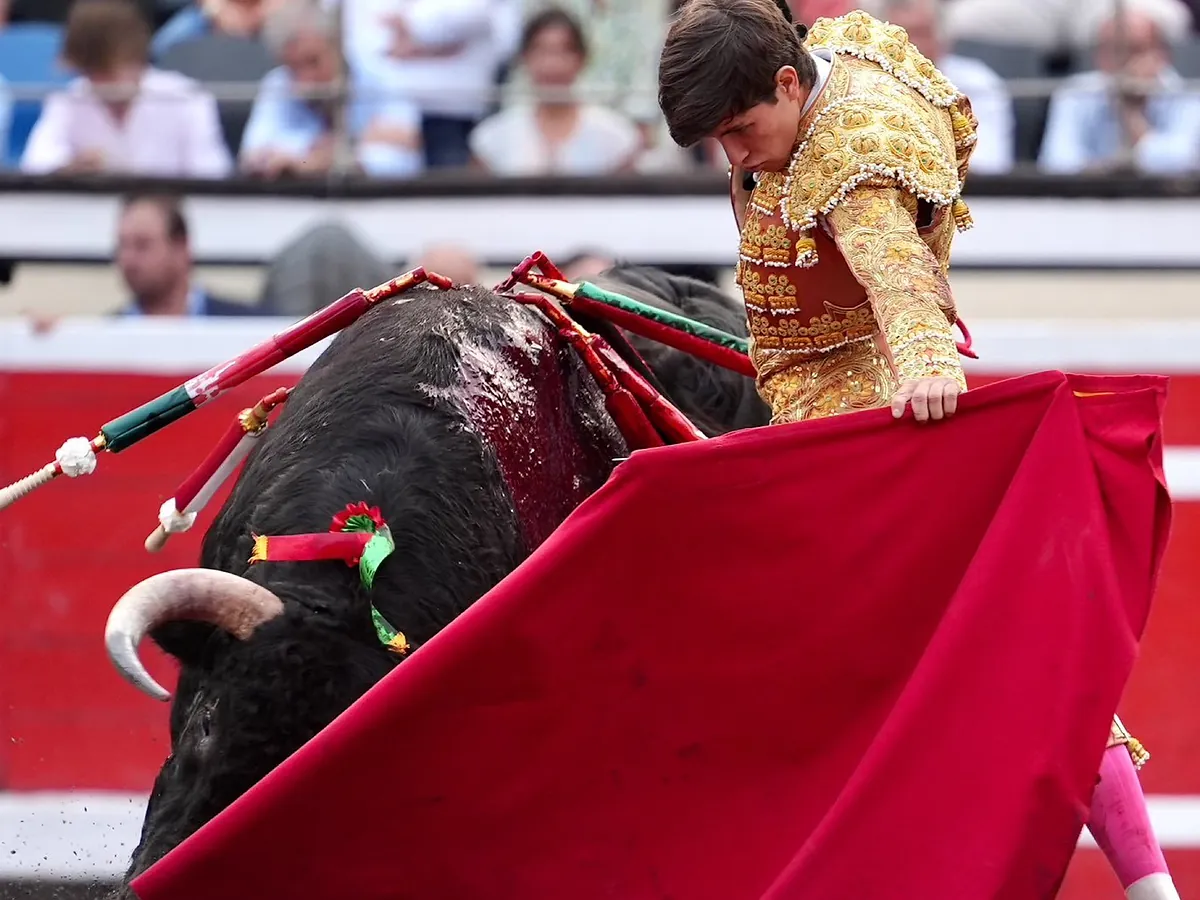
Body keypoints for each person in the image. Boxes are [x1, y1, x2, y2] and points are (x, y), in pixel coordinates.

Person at [656, 3, 1180, 899]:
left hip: (858, 431)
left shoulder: (850, 161)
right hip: (826, 404)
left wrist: (930, 363)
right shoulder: (821, 58)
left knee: (982, 666)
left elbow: (893, 266)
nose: (737, 158)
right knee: (1019, 654)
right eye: (719, 141)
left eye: (742, 131)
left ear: (788, 86)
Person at [18, 0, 232, 178]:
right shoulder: (69, 100)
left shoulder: (187, 99)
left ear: (135, 56)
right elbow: (35, 165)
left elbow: (212, 174)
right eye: (92, 72)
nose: (101, 83)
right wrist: (70, 167)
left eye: (108, 70)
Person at [240, 0, 424, 179]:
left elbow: (404, 160)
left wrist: (335, 156)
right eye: (294, 68)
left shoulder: (385, 77)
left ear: (337, 45)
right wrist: (311, 158)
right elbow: (254, 157)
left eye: (313, 61)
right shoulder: (277, 84)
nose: (305, 80)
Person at [469, 7, 641, 175]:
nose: (552, 64)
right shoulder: (493, 137)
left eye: (563, 51)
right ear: (524, 58)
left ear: (582, 58)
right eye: (541, 51)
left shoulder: (616, 136)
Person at [1038, 7, 1200, 175]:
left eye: (1135, 50)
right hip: (1090, 198)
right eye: (1113, 51)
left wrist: (1131, 114)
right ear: (1098, 57)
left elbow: (1182, 164)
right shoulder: (1075, 92)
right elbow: (1055, 163)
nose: (1123, 63)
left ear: (1162, 55)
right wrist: (1111, 173)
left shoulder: (1188, 96)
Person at [861, 0, 1015, 173]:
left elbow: (986, 165)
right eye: (897, 36)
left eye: (920, 33)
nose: (910, 45)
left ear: (943, 40)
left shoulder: (975, 82)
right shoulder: (860, 84)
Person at [115, 193, 258, 317]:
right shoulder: (104, 336)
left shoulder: (247, 327)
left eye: (142, 245)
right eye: (123, 246)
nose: (128, 259)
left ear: (181, 247)